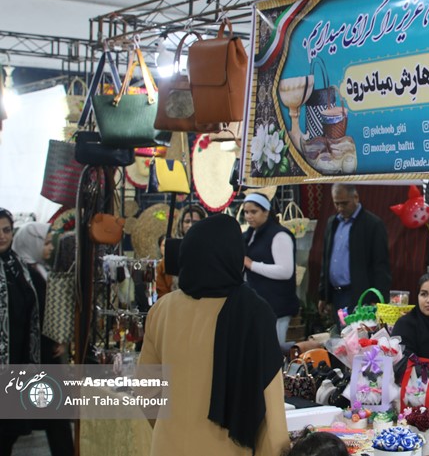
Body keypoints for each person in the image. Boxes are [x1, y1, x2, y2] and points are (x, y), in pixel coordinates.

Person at [139, 214, 290, 456]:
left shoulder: (162, 309)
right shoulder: (252, 313)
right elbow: (271, 412)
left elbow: (146, 390)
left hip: (166, 446)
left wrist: (170, 430)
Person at [10, 222, 74, 456]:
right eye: (45, 243)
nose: (50, 248)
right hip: (38, 352)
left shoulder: (38, 269)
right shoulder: (23, 274)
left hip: (48, 350)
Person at [0, 210, 41, 453]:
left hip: (18, 359)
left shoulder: (19, 266)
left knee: (10, 430)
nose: (2, 236)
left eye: (6, 230)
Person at [318, 184, 391, 320]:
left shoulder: (373, 224)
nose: (340, 208)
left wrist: (376, 300)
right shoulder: (332, 223)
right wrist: (323, 295)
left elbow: (381, 266)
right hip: (336, 295)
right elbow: (326, 260)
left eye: (344, 203)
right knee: (340, 332)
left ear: (356, 197)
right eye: (336, 203)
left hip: (359, 296)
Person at [242, 193, 300, 352]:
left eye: (254, 212)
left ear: (266, 211)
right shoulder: (250, 235)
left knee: (273, 351)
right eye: (246, 212)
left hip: (277, 306)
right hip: (258, 304)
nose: (249, 216)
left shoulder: (279, 235)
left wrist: (252, 265)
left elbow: (285, 271)